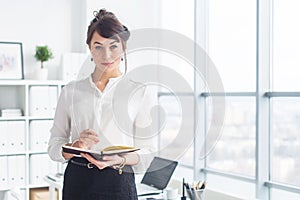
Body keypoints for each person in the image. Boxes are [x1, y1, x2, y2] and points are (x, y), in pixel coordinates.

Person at [48, 9, 157, 200]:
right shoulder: (71, 91)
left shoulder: (139, 92)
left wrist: (120, 159)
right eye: (98, 46)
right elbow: (54, 146)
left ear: (123, 47)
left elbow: (148, 152)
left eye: (113, 46)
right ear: (90, 48)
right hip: (77, 182)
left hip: (119, 181)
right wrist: (75, 146)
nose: (106, 55)